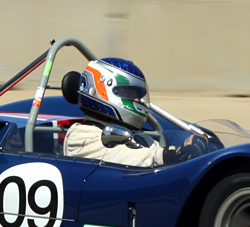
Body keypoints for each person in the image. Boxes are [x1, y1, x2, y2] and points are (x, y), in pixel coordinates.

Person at [63, 57, 212, 166]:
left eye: (138, 94)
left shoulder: (137, 136)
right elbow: (122, 157)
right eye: (129, 93)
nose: (137, 100)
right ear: (98, 91)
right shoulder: (79, 136)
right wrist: (172, 155)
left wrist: (189, 147)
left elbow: (154, 152)